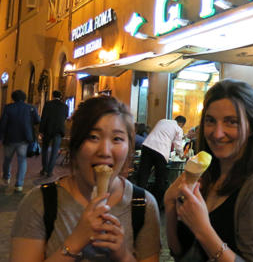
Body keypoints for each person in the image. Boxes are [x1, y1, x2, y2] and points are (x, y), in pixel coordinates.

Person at [10, 95, 160, 261]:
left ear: (129, 148)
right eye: (93, 137)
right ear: (75, 145)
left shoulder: (143, 205)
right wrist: (75, 242)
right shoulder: (39, 203)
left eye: (117, 138)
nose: (104, 151)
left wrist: (124, 255)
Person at [164, 79, 253, 261]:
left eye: (231, 122)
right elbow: (179, 252)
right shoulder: (204, 175)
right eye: (210, 121)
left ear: (252, 127)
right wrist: (169, 205)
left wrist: (203, 230)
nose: (217, 133)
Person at [137, 115, 186, 208]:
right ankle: (156, 204)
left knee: (143, 174)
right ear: (181, 124)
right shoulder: (178, 128)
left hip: (147, 145)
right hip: (161, 151)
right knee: (160, 179)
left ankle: (138, 198)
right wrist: (181, 155)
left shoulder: (162, 121)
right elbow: (178, 145)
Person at [0, 90, 40, 192]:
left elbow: (3, 124)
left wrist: (1, 137)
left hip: (10, 138)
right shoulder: (31, 108)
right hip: (24, 138)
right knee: (22, 160)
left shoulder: (8, 108)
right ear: (24, 97)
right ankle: (19, 184)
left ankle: (6, 178)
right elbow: (37, 120)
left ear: (13, 97)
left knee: (7, 159)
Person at [39, 90, 69, 178]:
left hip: (47, 130)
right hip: (58, 131)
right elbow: (65, 117)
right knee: (54, 151)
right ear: (60, 96)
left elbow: (43, 118)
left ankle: (44, 169)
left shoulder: (48, 104)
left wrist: (41, 130)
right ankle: (50, 171)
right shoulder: (65, 106)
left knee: (44, 149)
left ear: (52, 96)